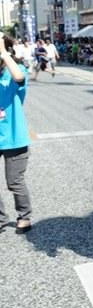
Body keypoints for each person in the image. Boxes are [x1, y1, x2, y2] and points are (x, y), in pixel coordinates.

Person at [0, 35, 32, 234]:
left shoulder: (15, 71)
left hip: (13, 138)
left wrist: (3, 52)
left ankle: (24, 215)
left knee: (14, 181)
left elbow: (18, 77)